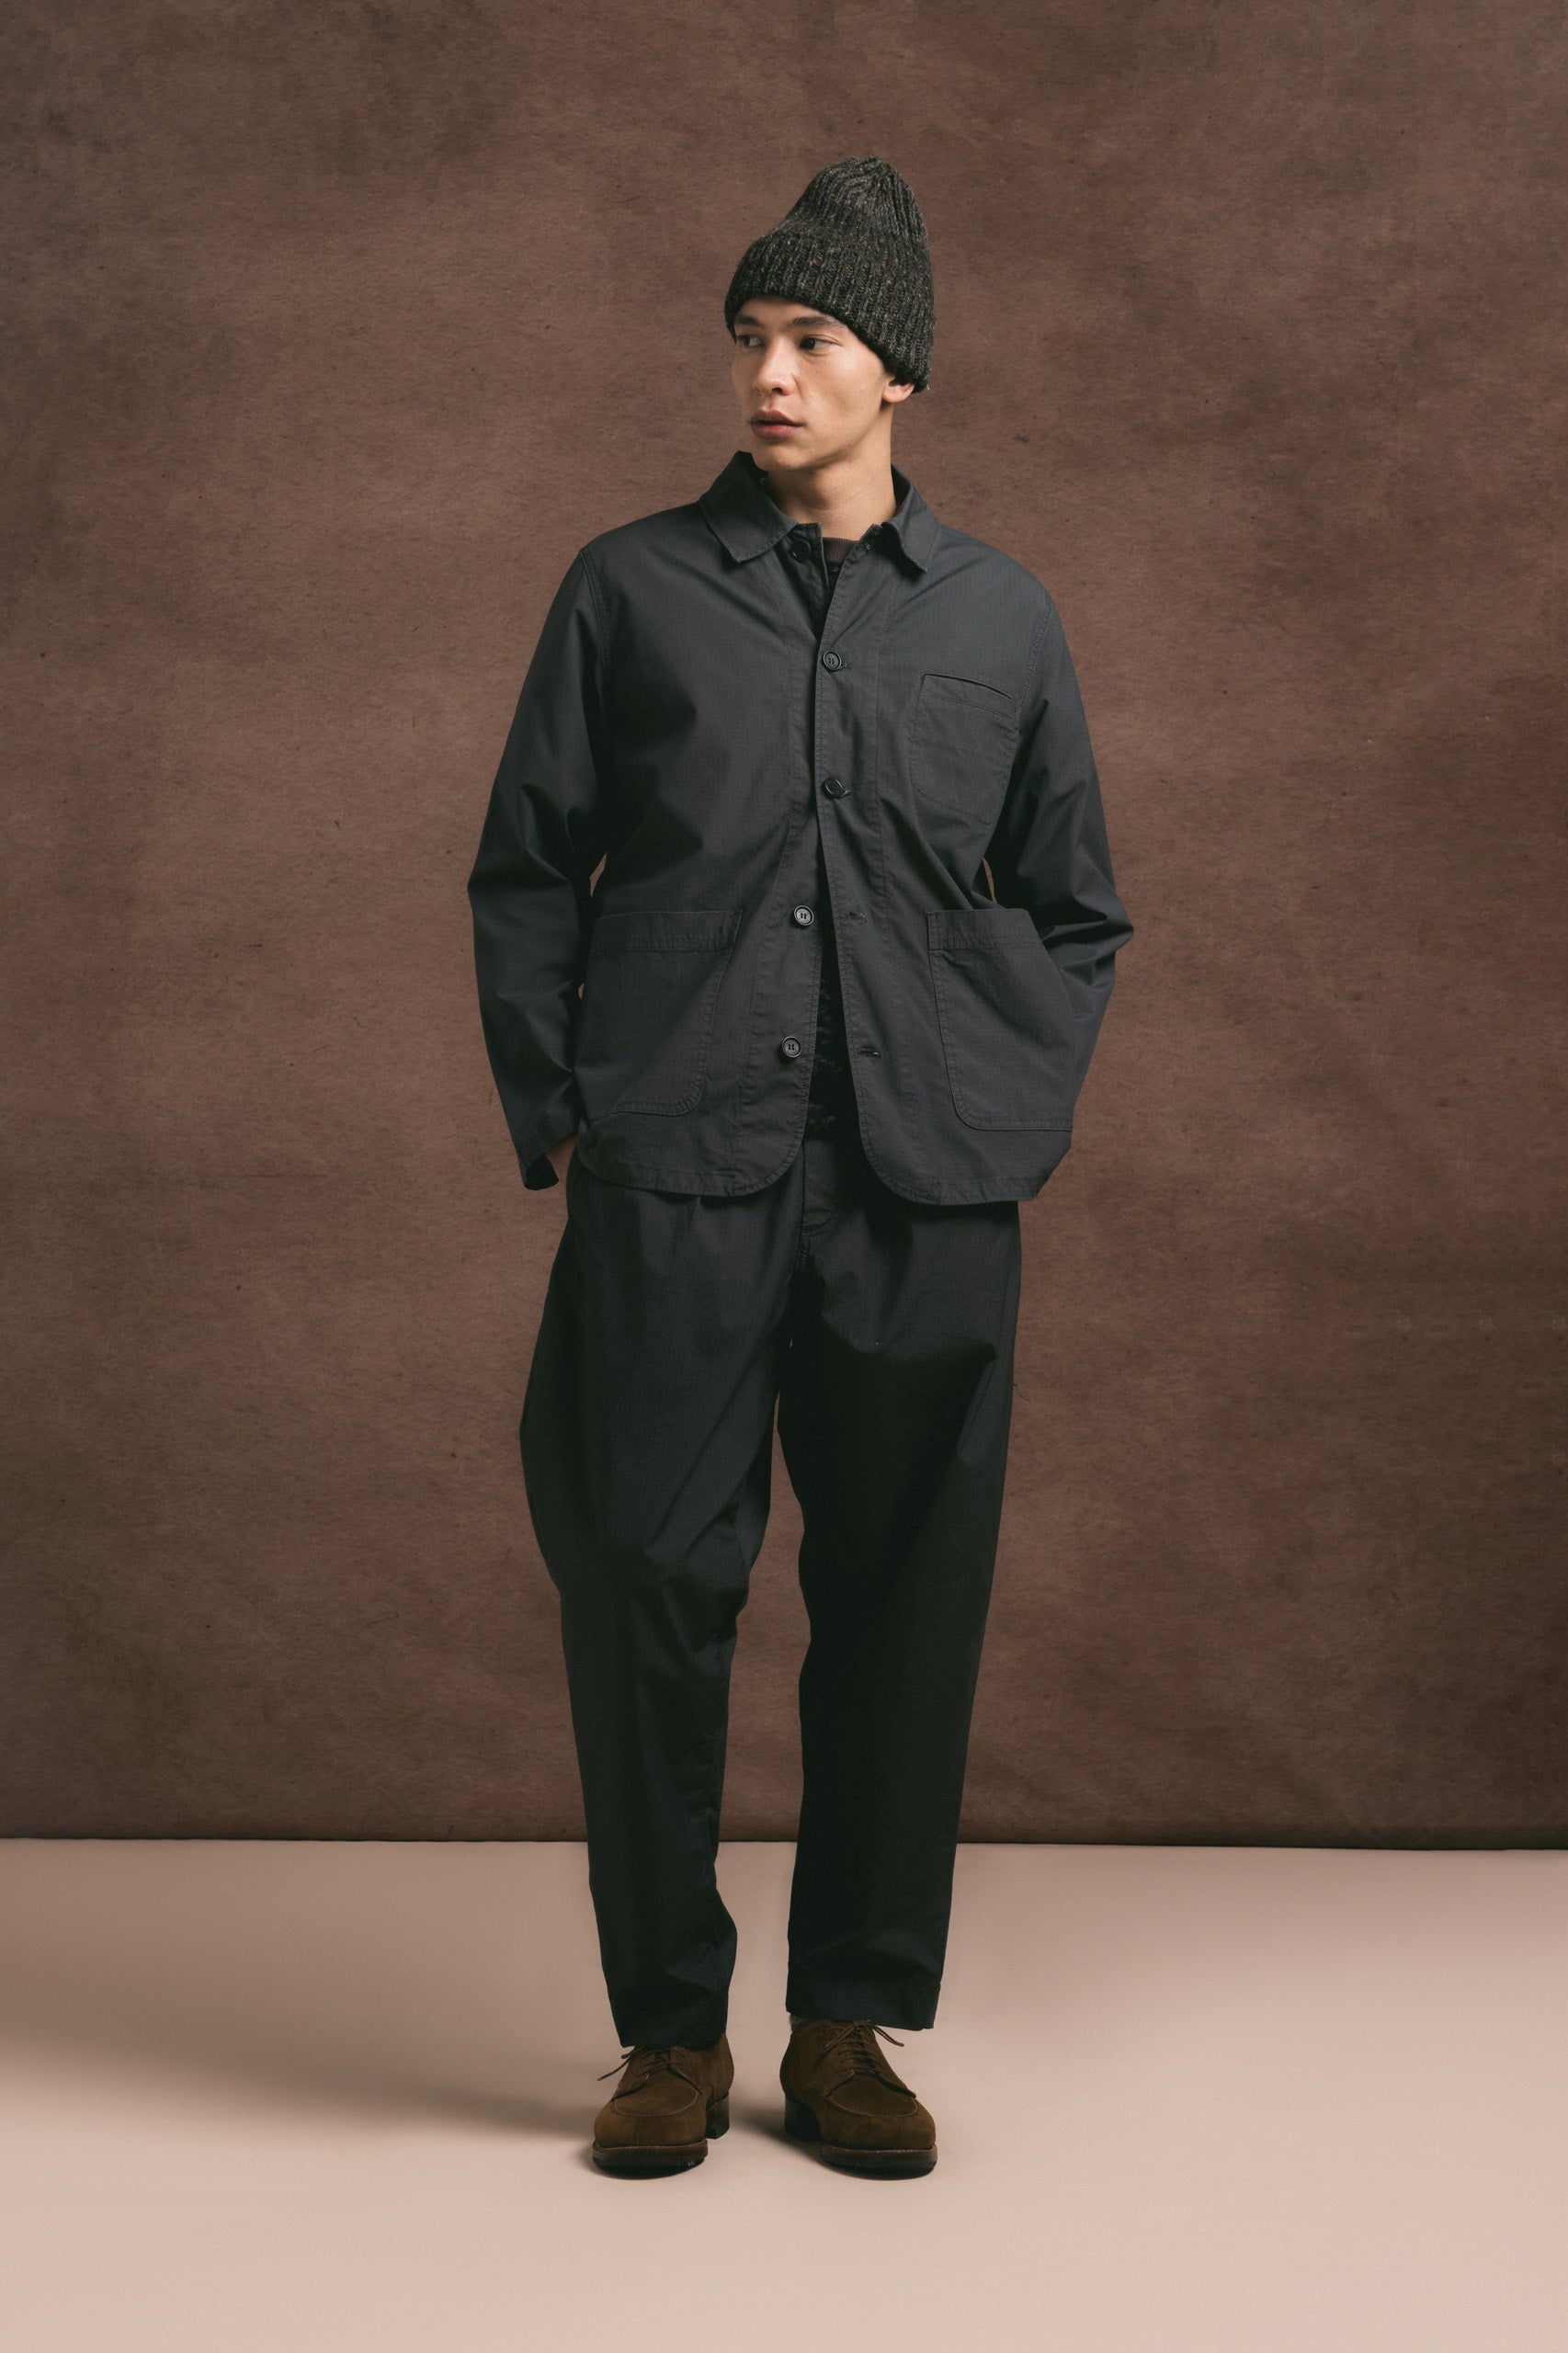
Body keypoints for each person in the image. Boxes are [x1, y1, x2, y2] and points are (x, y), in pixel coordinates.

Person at [466, 154, 1132, 2178]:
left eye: (812, 338)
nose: (769, 373)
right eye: (750, 336)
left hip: (922, 1186)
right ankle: (666, 2030)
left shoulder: (1001, 616)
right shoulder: (629, 589)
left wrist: (1006, 1104)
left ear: (895, 371)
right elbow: (527, 867)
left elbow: (1076, 906)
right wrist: (561, 1101)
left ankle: (847, 2019)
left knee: (908, 1599)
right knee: (643, 1574)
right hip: (675, 1163)